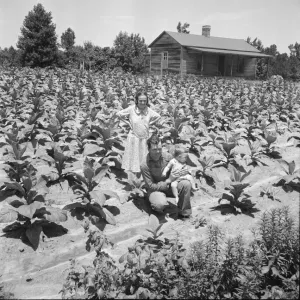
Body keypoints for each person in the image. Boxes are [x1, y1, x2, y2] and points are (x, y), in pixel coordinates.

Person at [140, 134, 192, 218]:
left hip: (170, 187)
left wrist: (183, 172)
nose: (157, 152)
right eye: (154, 149)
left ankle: (184, 213)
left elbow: (177, 168)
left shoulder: (168, 157)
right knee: (159, 204)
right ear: (148, 149)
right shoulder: (144, 165)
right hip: (155, 190)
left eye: (159, 149)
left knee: (186, 184)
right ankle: (153, 203)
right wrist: (168, 181)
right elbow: (150, 186)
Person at [116, 90, 161, 174]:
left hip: (145, 137)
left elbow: (158, 116)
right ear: (136, 100)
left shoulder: (149, 111)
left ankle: (143, 174)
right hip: (133, 136)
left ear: (147, 101)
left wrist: (149, 123)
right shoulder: (131, 109)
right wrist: (128, 122)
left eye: (144, 100)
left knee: (143, 156)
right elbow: (118, 114)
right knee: (134, 155)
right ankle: (134, 175)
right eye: (140, 100)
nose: (143, 102)